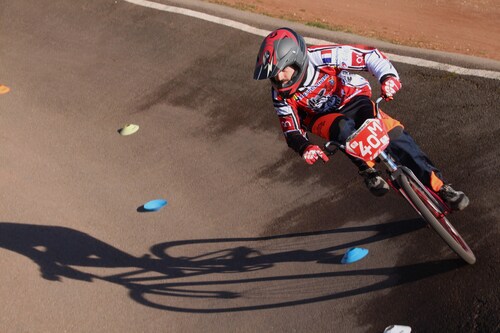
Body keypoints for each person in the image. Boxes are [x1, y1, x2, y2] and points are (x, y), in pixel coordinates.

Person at [253, 27, 469, 211]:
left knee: (398, 138)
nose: (279, 79)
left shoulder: (322, 56)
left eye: (283, 71)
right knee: (342, 128)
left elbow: (369, 56)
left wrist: (388, 78)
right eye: (273, 75)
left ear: (297, 60)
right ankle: (367, 169)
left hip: (355, 98)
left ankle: (441, 187)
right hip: (323, 118)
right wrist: (305, 147)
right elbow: (290, 130)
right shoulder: (279, 95)